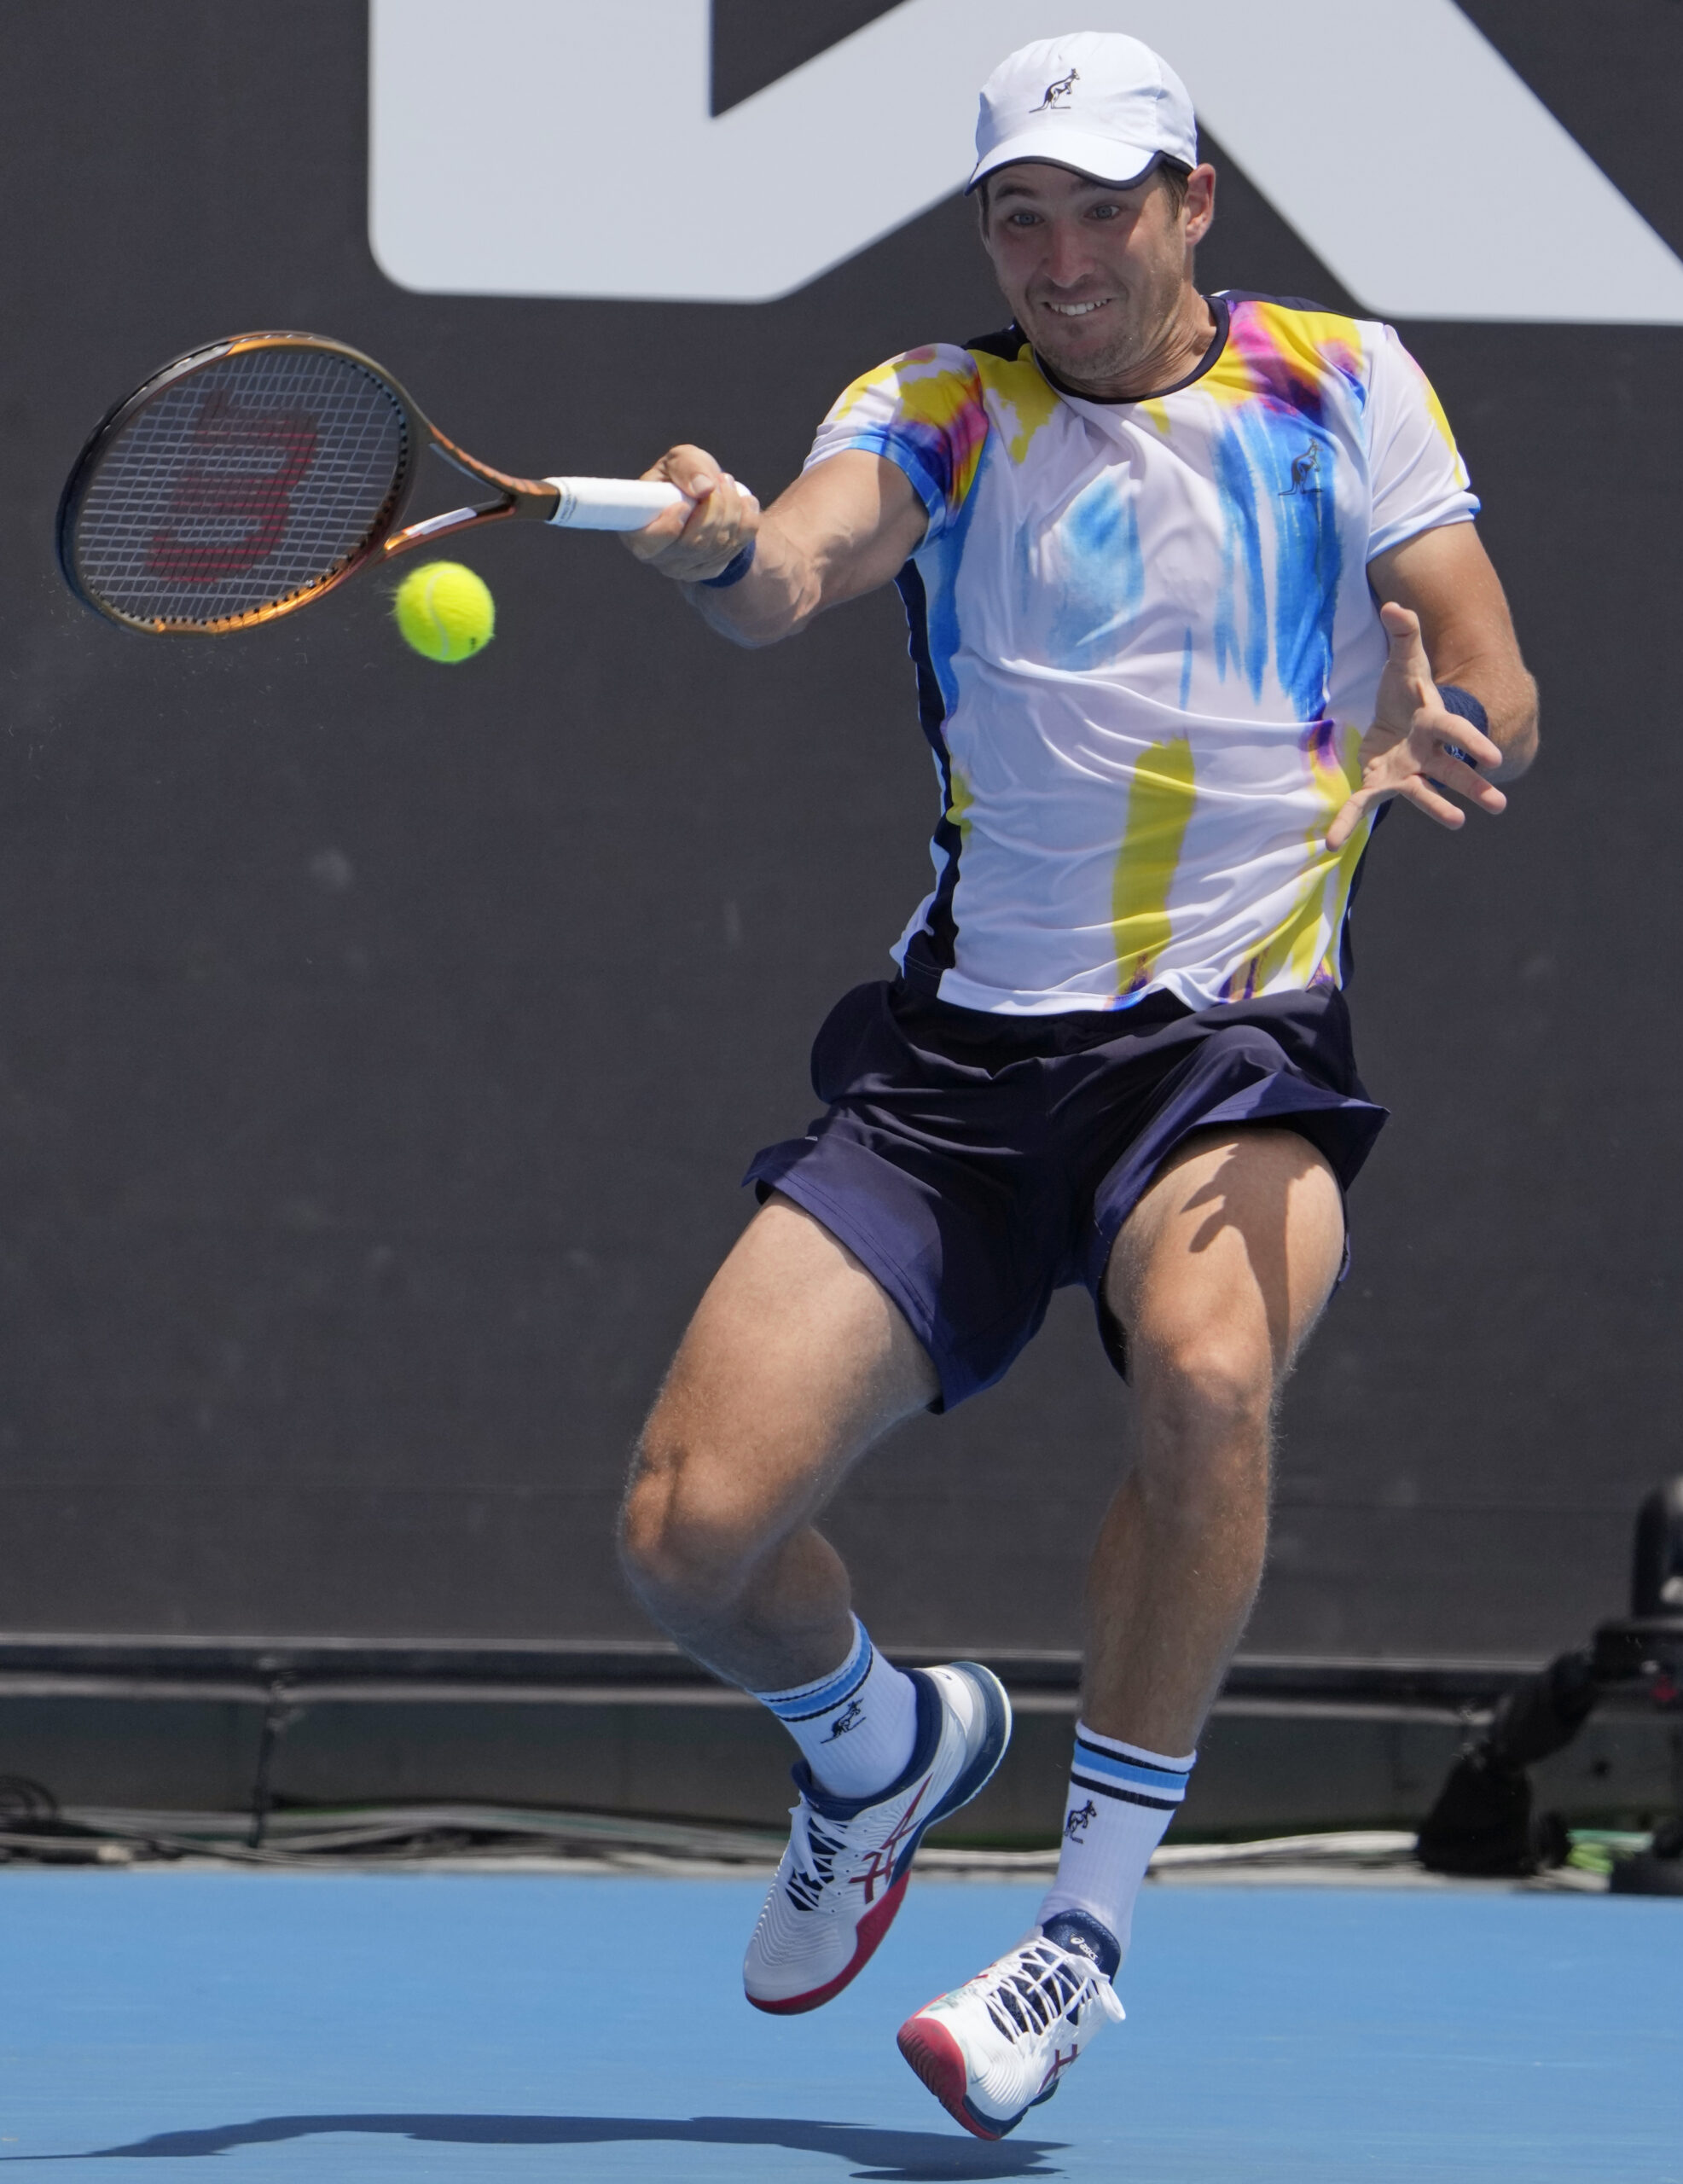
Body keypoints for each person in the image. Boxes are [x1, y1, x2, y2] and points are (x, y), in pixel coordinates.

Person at [616, 29, 1538, 2143]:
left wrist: (1455, 717)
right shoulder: (937, 405)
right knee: (686, 1536)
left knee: (1210, 1374)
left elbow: (1487, 655)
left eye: (1102, 211)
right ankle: (876, 1746)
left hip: (1231, 1040)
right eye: (1018, 219)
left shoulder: (1342, 383)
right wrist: (718, 551)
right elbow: (796, 572)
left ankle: (1079, 1935)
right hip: (960, 1059)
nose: (1059, 259)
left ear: (1191, 202)